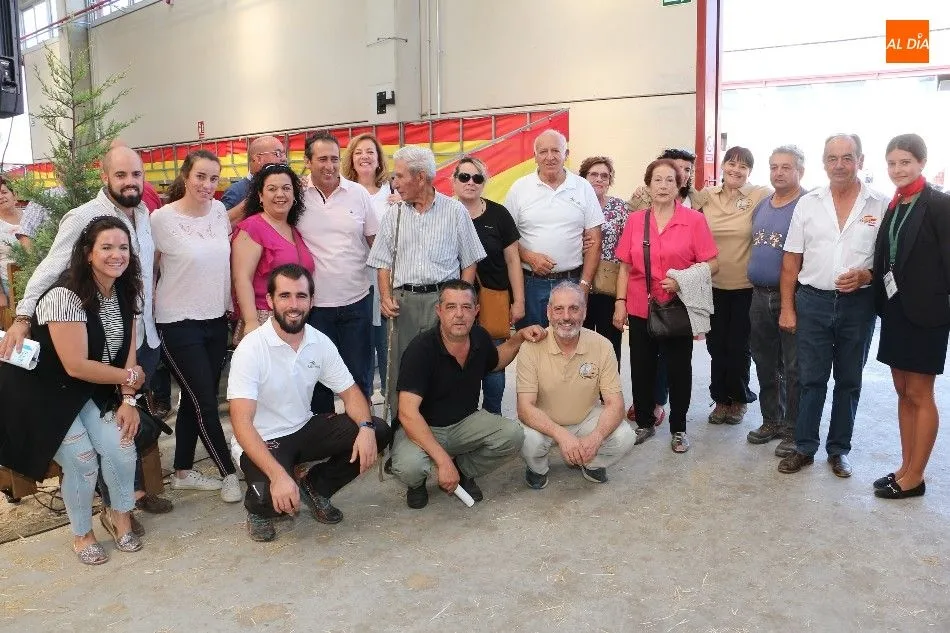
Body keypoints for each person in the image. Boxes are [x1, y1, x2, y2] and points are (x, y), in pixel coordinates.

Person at [0, 146, 171, 520]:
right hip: (101, 347)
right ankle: (114, 508)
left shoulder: (143, 214)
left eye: (136, 175)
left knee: (128, 420)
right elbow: (50, 269)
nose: (130, 182)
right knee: (106, 425)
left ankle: (134, 495)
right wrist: (24, 316)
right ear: (105, 177)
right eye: (121, 175)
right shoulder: (84, 217)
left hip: (141, 336)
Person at [0, 216, 145, 564]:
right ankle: (82, 533)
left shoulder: (124, 290)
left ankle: (118, 515)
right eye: (106, 247)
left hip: (89, 392)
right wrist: (128, 379)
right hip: (44, 395)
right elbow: (75, 365)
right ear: (87, 253)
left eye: (123, 247)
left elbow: (128, 349)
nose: (116, 255)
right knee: (81, 462)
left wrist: (128, 399)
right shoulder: (64, 296)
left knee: (121, 446)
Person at [227, 264, 390, 541]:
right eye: (285, 296)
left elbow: (351, 394)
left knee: (379, 429)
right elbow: (241, 423)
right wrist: (278, 476)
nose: (294, 305)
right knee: (273, 498)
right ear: (269, 300)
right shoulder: (251, 348)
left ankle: (316, 486)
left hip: (303, 427)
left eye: (301, 296)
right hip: (263, 438)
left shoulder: (319, 342)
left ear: (312, 301)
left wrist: (364, 427)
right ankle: (258, 510)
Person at [777, 134, 887, 478]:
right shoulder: (808, 204)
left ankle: (839, 451)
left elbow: (889, 261)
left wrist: (867, 275)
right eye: (832, 158)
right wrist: (787, 307)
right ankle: (805, 447)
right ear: (824, 163)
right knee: (811, 379)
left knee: (849, 380)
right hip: (812, 302)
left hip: (859, 305)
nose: (839, 164)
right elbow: (791, 261)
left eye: (847, 157)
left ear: (860, 160)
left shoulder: (879, 205)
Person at [393, 280, 543, 508]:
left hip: (465, 422)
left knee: (512, 435)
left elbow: (496, 360)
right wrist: (443, 461)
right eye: (451, 307)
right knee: (408, 467)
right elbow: (407, 413)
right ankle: (418, 483)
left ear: (476, 310)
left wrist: (519, 337)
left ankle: (463, 470)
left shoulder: (480, 337)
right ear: (439, 311)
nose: (459, 314)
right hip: (424, 426)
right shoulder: (420, 350)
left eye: (466, 307)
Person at [366, 145, 485, 420]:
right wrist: (385, 296)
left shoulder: (455, 211)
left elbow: (469, 261)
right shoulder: (393, 215)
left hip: (441, 301)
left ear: (420, 178)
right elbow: (383, 262)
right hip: (402, 303)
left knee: (445, 364)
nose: (394, 183)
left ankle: (446, 425)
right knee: (402, 367)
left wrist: (461, 303)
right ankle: (400, 428)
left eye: (399, 176)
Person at [612, 159, 719, 452]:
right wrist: (620, 303)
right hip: (638, 306)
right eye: (657, 180)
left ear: (679, 185)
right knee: (641, 367)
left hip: (677, 307)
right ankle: (644, 422)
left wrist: (682, 280)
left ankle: (679, 428)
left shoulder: (694, 220)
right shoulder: (636, 221)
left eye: (669, 180)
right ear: (648, 185)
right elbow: (624, 267)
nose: (663, 186)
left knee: (679, 369)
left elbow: (712, 263)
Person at [152, 149, 241, 502]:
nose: (206, 185)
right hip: (178, 322)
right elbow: (149, 269)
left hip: (215, 320)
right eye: (200, 176)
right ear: (186, 176)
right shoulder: (161, 219)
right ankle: (228, 473)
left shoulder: (219, 211)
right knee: (205, 398)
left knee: (193, 397)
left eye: (214, 179)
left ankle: (184, 471)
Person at [871, 134, 950, 499]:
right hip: (896, 310)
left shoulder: (938, 203)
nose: (898, 169)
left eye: (905, 162)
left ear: (921, 162)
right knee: (902, 391)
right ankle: (905, 467)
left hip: (927, 313)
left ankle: (916, 476)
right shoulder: (897, 203)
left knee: (921, 393)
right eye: (892, 163)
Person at [517, 282, 635, 488]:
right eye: (559, 309)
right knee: (525, 438)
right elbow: (524, 408)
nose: (566, 317)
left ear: (585, 312)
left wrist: (596, 438)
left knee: (625, 436)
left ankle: (591, 462)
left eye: (574, 308)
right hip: (544, 421)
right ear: (548, 312)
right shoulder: (530, 348)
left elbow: (615, 404)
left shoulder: (602, 345)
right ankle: (537, 468)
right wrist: (561, 435)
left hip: (585, 418)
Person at [298, 131, 378, 414]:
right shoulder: (296, 196)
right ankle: (327, 439)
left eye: (334, 159)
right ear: (308, 161)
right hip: (315, 307)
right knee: (318, 380)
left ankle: (364, 434)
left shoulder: (357, 194)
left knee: (358, 375)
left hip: (357, 301)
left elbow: (375, 242)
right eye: (322, 159)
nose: (329, 166)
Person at [694, 147, 771, 426]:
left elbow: (793, 195)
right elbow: (679, 201)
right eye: (732, 163)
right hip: (712, 284)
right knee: (716, 346)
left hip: (745, 286)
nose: (736, 170)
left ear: (750, 171)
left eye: (743, 166)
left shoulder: (759, 194)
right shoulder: (706, 196)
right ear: (723, 166)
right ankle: (720, 399)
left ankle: (738, 399)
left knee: (739, 346)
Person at [504, 130, 604, 327]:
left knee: (569, 347)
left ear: (566, 155)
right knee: (533, 346)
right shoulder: (519, 188)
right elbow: (507, 239)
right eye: (543, 152)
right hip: (530, 285)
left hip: (572, 283)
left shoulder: (583, 187)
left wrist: (583, 286)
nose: (549, 157)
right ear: (535, 157)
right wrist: (528, 256)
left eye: (556, 151)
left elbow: (595, 242)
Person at [746, 146, 807, 457]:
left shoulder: (807, 205)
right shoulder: (763, 205)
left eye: (786, 167)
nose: (779, 172)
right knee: (765, 361)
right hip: (759, 295)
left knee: (794, 366)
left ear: (800, 171)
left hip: (792, 298)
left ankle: (795, 429)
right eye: (774, 167)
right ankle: (772, 419)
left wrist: (789, 305)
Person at [452, 156, 524, 414]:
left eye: (477, 178)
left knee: (494, 360)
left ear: (484, 183)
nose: (470, 182)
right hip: (456, 303)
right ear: (454, 180)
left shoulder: (499, 214)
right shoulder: (446, 213)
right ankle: (464, 416)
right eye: (464, 177)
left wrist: (519, 301)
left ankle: (493, 416)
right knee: (458, 359)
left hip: (493, 301)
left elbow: (513, 259)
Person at [341, 133, 400, 401]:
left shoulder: (393, 194)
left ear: (379, 160)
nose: (364, 156)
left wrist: (404, 207)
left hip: (387, 283)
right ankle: (362, 409)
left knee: (388, 348)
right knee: (360, 350)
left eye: (370, 152)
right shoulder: (344, 194)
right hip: (355, 282)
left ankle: (391, 405)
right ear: (351, 160)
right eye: (358, 152)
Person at [231, 162, 314, 345]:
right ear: (260, 196)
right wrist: (251, 322)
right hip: (264, 320)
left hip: (295, 320)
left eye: (286, 188)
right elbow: (241, 278)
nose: (280, 194)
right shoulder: (252, 227)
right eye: (272, 189)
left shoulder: (293, 229)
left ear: (294, 195)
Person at [578, 156, 629, 365]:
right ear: (583, 178)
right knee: (581, 340)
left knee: (609, 342)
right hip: (578, 282)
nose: (599, 179)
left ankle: (608, 393)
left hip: (609, 284)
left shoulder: (620, 207)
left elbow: (628, 247)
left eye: (605, 176)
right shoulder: (573, 205)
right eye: (593, 174)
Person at [221, 136, 286, 225]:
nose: (284, 159)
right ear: (258, 158)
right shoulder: (236, 191)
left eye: (283, 154)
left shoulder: (286, 187)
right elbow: (220, 226)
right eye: (277, 153)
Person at [0, 177, 24, 306]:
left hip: (38, 276)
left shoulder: (30, 217)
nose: (1, 197)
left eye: (4, 192)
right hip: (10, 284)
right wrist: (1, 295)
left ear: (14, 194)